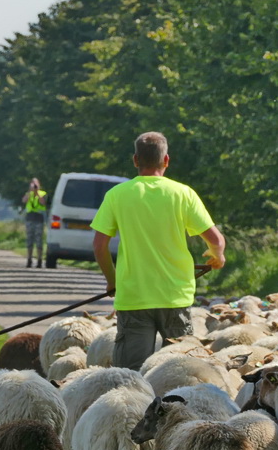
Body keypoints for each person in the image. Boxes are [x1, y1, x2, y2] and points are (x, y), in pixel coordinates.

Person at [91, 132, 226, 371]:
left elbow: (99, 245)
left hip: (133, 298)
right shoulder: (183, 194)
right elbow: (215, 239)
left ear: (135, 160)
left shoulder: (117, 195)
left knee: (131, 375)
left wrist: (112, 281)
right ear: (166, 160)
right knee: (178, 372)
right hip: (175, 296)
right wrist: (217, 256)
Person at [21, 178, 48, 268]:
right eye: (33, 184)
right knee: (29, 240)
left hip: (39, 219)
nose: (34, 186)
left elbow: (43, 203)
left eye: (36, 184)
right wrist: (30, 191)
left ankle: (39, 260)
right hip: (30, 218)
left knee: (38, 240)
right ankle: (29, 259)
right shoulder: (29, 194)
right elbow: (24, 200)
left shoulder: (43, 194)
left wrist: (37, 193)